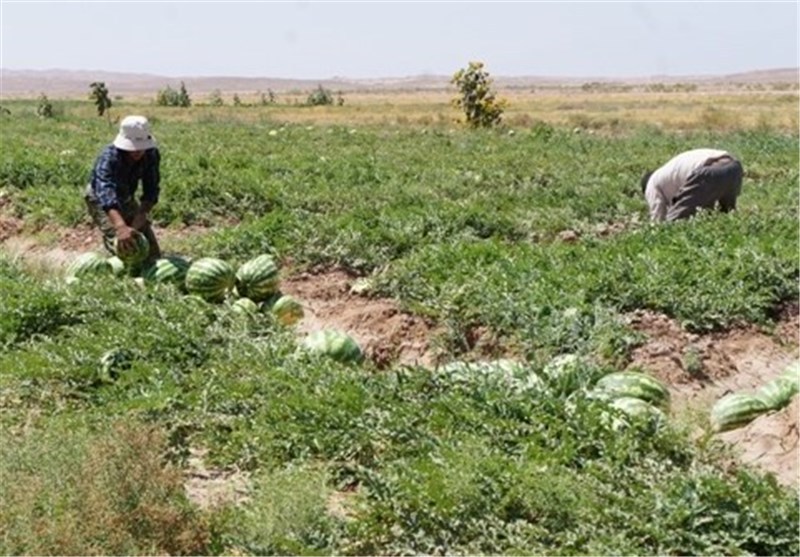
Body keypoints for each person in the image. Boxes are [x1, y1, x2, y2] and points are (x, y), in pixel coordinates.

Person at [85, 115, 162, 263]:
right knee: (119, 238)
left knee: (147, 244)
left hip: (125, 194)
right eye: (133, 147)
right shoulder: (109, 157)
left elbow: (151, 189)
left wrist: (141, 215)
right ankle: (124, 272)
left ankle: (149, 270)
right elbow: (105, 192)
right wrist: (120, 226)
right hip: (99, 198)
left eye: (141, 147)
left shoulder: (151, 154)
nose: (137, 152)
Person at [640, 148, 743, 222]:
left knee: (674, 222)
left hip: (709, 172)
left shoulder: (652, 183)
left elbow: (657, 215)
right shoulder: (666, 175)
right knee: (725, 218)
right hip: (734, 168)